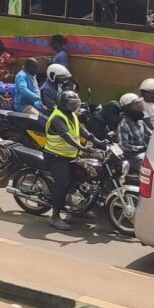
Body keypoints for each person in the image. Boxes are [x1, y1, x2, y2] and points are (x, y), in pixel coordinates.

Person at [45, 89, 88, 231]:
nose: (75, 105)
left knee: (81, 176)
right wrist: (82, 148)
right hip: (56, 156)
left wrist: (97, 140)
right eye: (72, 103)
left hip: (70, 155)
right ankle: (55, 217)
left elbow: (81, 130)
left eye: (76, 103)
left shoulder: (71, 115)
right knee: (63, 183)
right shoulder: (58, 118)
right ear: (64, 104)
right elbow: (66, 136)